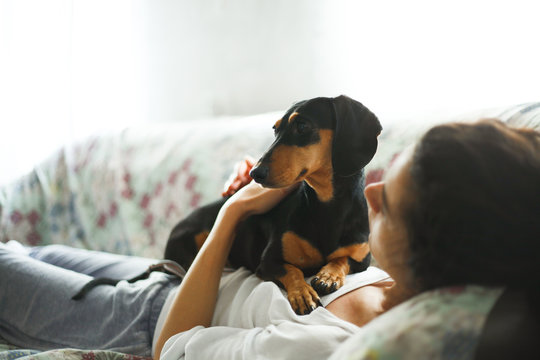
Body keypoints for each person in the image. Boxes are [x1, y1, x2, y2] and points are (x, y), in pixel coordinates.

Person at [0, 118, 538, 359]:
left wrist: (232, 216)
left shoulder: (323, 347)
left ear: (434, 248)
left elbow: (175, 349)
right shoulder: (395, 275)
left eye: (389, 204)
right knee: (28, 254)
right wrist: (253, 213)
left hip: (145, 320)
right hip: (173, 276)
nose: (368, 194)